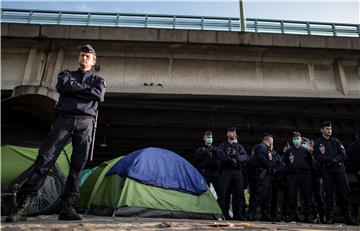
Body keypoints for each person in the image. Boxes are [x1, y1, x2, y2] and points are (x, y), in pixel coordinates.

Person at [5, 44, 106, 222]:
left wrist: (74, 89)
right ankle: (23, 205)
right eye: (82, 55)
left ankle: (67, 207)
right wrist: (84, 92)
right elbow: (63, 86)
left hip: (85, 123)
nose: (84, 58)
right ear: (79, 58)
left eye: (88, 56)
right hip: (64, 121)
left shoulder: (98, 80)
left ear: (93, 61)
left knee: (77, 166)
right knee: (45, 160)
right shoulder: (65, 75)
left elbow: (98, 95)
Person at [313, 121, 358, 225]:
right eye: (327, 129)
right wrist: (329, 160)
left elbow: (343, 154)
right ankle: (330, 218)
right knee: (328, 195)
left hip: (339, 170)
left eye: (330, 129)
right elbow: (316, 156)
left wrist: (334, 160)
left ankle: (348, 217)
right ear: (322, 130)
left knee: (344, 194)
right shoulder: (318, 143)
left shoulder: (336, 142)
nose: (329, 131)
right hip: (327, 171)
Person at [217, 127, 249, 220]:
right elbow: (219, 154)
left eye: (235, 133)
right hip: (226, 170)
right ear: (228, 134)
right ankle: (224, 214)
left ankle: (238, 214)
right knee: (224, 193)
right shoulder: (223, 145)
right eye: (232, 132)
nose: (234, 134)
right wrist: (229, 160)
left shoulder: (239, 146)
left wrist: (237, 159)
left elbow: (246, 157)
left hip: (237, 172)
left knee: (238, 193)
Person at [283, 132, 313, 223]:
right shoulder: (289, 151)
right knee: (291, 196)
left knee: (306, 196)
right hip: (293, 175)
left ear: (300, 139)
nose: (296, 139)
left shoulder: (306, 151)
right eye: (294, 138)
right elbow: (286, 164)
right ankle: (292, 216)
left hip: (304, 175)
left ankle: (308, 216)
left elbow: (311, 162)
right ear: (292, 140)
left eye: (298, 138)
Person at [247, 133, 275, 221]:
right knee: (259, 195)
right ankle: (251, 213)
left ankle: (265, 214)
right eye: (272, 142)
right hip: (262, 175)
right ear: (269, 141)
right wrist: (271, 165)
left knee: (266, 196)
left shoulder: (266, 149)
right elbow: (262, 160)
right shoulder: (261, 147)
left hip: (266, 175)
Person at [195, 130, 221, 195]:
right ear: (204, 138)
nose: (209, 139)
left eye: (210, 137)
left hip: (215, 174)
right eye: (207, 137)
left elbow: (221, 160)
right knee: (205, 193)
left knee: (220, 192)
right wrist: (203, 153)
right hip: (205, 174)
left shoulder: (216, 149)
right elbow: (197, 161)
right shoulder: (200, 149)